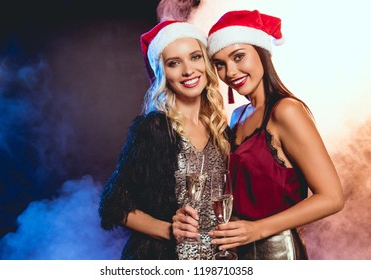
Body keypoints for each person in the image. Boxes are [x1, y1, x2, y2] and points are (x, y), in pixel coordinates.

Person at [206, 10, 345, 259]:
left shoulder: (286, 111)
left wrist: (257, 229)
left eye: (239, 57)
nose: (231, 71)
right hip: (237, 251)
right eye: (220, 64)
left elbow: (332, 197)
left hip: (277, 254)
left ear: (262, 53)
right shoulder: (237, 115)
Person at [98, 20, 230, 260]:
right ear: (163, 73)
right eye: (174, 63)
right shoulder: (154, 128)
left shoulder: (221, 130)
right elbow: (113, 205)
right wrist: (169, 230)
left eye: (195, 57)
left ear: (207, 62)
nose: (188, 70)